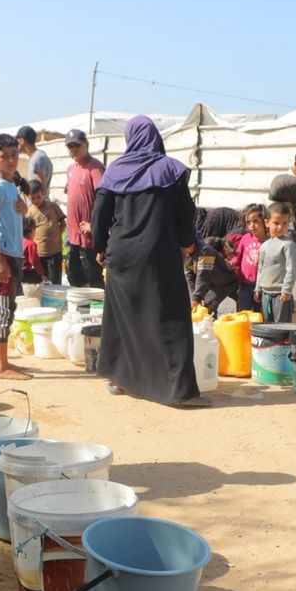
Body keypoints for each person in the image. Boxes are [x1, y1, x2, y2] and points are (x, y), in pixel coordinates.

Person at [90, 117, 204, 405]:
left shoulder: (115, 171)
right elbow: (186, 214)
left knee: (123, 318)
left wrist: (100, 247)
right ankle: (178, 390)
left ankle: (120, 379)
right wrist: (187, 243)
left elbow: (99, 214)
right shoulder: (171, 170)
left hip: (122, 257)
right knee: (171, 317)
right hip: (159, 255)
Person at [0, 134, 31, 381]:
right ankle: (1, 367)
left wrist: (24, 209)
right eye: (5, 157)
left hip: (13, 255)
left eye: (14, 155)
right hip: (3, 256)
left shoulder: (11, 185)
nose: (11, 160)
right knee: (2, 309)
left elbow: (14, 214)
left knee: (8, 308)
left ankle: (0, 362)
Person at [63, 129, 107, 287]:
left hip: (89, 238)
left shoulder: (95, 168)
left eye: (77, 145)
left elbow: (104, 200)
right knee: (74, 277)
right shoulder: (71, 169)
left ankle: (98, 304)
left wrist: (94, 225)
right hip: (73, 237)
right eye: (70, 146)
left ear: (86, 144)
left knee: (93, 278)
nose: (74, 149)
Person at [27, 179, 66, 285]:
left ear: (43, 193)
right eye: (33, 198)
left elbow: (63, 223)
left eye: (38, 197)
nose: (36, 200)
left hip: (54, 252)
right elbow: (28, 232)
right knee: (41, 282)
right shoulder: (30, 212)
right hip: (39, 253)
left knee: (55, 282)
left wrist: (57, 235)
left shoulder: (53, 206)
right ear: (28, 197)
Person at [233, 204, 268, 292]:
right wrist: (230, 263)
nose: (252, 225)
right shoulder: (245, 238)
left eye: (255, 221)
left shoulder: (269, 241)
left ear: (264, 221)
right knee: (243, 301)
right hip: (245, 283)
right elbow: (237, 256)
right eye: (248, 222)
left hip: (263, 285)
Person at [17, 125, 54, 192]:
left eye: (18, 141)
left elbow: (41, 189)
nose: (17, 144)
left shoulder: (36, 158)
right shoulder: (40, 155)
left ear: (22, 141)